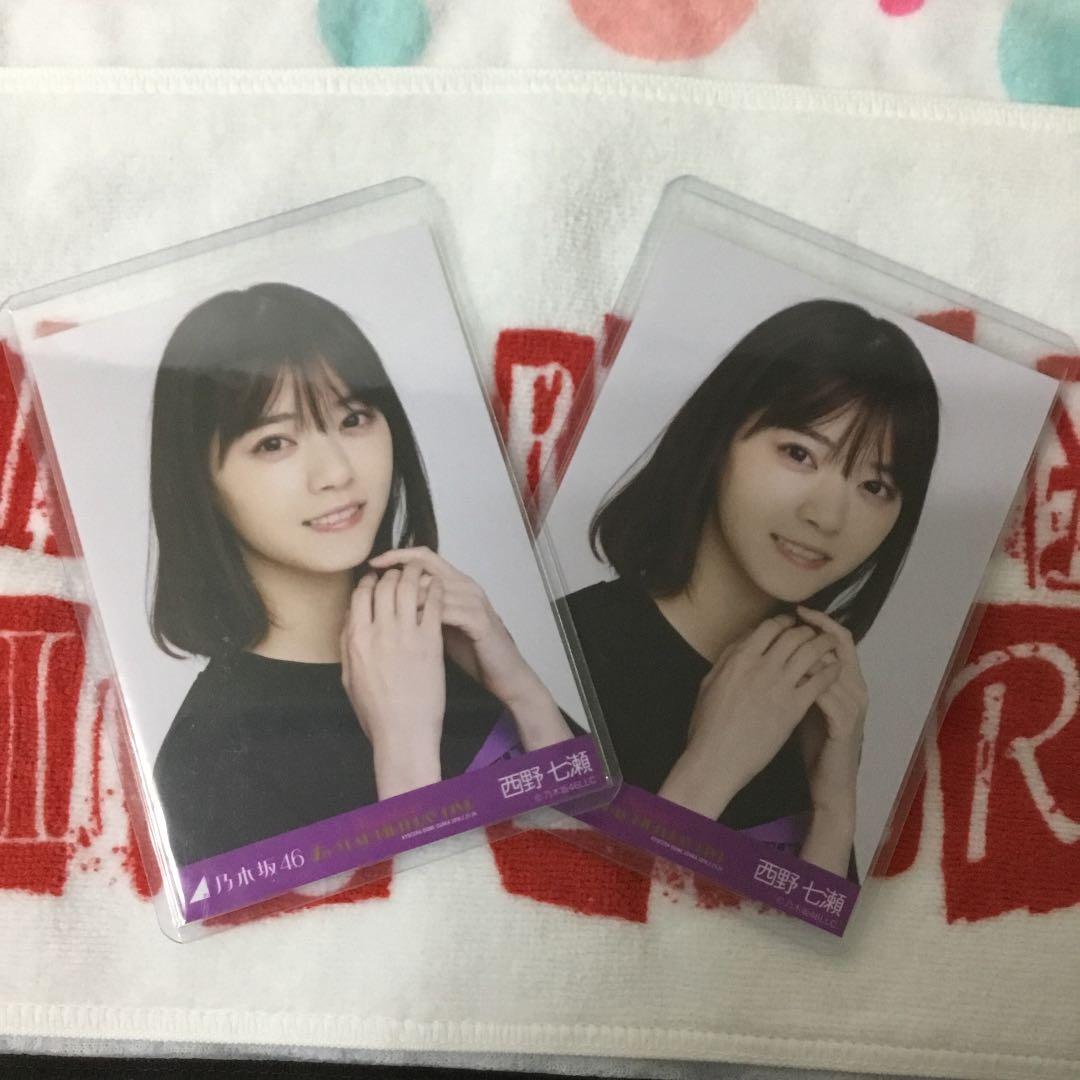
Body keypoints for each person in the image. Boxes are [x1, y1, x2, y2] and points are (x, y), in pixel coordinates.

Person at [150, 283, 571, 867]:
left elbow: (620, 874)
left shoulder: (450, 642)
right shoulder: (210, 762)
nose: (336, 473)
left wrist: (522, 687)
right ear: (200, 484)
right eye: (274, 442)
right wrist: (404, 751)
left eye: (353, 419)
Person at [565, 299, 940, 877]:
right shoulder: (563, 656)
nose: (828, 517)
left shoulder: (814, 704)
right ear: (719, 436)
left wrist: (835, 809)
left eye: (874, 486)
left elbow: (807, 934)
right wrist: (710, 768)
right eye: (799, 454)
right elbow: (562, 914)